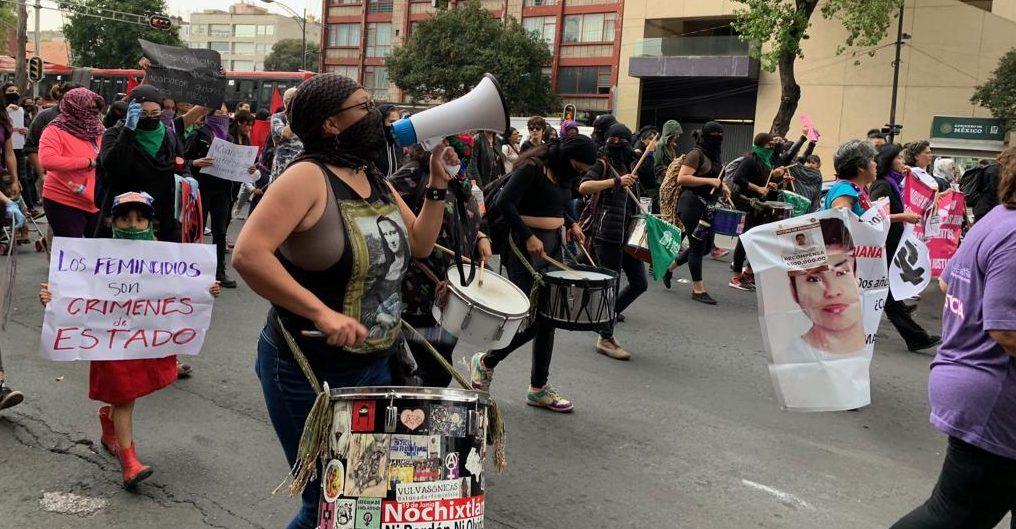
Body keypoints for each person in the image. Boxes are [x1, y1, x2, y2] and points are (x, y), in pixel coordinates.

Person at [231, 73, 454, 529]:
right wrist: (320, 312)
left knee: (363, 496)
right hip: (305, 368)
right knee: (325, 501)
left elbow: (420, 244)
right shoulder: (305, 178)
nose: (377, 113)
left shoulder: (368, 174)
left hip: (373, 363)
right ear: (332, 123)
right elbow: (248, 254)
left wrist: (437, 185)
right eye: (364, 106)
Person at [39, 192, 221, 489]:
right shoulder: (94, 258)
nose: (133, 225)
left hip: (141, 341)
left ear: (151, 222)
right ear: (112, 221)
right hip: (109, 342)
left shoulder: (165, 257)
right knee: (124, 397)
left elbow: (182, 289)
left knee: (127, 394)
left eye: (140, 219)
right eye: (125, 218)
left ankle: (108, 425)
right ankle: (129, 461)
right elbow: (70, 294)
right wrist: (50, 297)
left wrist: (206, 290)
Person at [889, 145, 1016, 529]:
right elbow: (1006, 330)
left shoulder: (997, 218)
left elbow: (947, 281)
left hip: (971, 377)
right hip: (993, 392)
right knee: (954, 515)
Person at [469, 135, 597, 413]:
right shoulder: (533, 168)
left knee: (549, 317)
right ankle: (486, 361)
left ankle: (538, 387)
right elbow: (505, 204)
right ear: (567, 156)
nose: (581, 173)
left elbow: (563, 202)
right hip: (524, 247)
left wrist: (572, 223)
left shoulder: (564, 174)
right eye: (579, 167)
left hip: (552, 245)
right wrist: (528, 236)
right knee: (531, 317)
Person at [389, 142, 491, 386]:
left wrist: (480, 236)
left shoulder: (458, 177)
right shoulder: (410, 175)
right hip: (418, 292)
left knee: (438, 362)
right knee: (439, 371)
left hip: (452, 288)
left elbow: (463, 215)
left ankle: (415, 411)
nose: (458, 152)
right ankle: (414, 414)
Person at [577, 123, 649, 359]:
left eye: (622, 139)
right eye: (613, 139)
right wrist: (616, 182)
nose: (616, 143)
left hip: (629, 233)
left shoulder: (630, 163)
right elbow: (584, 187)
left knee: (640, 283)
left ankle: (601, 320)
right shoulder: (603, 163)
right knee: (612, 285)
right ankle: (605, 337)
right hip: (606, 233)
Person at [871, 144, 941, 352]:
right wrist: (903, 217)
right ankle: (915, 337)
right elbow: (875, 216)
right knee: (887, 294)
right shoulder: (882, 185)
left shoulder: (894, 183)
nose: (903, 162)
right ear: (889, 160)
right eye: (899, 158)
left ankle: (913, 332)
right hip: (884, 245)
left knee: (885, 290)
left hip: (892, 244)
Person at [98, 85, 183, 243]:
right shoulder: (113, 133)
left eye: (155, 113)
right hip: (123, 212)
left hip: (161, 212)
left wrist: (187, 178)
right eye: (143, 114)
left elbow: (181, 164)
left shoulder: (169, 135)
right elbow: (112, 165)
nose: (150, 117)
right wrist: (128, 130)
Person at [661, 122, 729, 304]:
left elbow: (715, 180)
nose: (719, 138)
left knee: (707, 247)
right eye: (715, 135)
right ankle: (698, 289)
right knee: (697, 246)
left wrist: (723, 187)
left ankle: (669, 268)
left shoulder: (714, 156)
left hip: (707, 207)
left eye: (721, 135)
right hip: (691, 205)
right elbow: (682, 178)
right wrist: (711, 181)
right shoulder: (695, 154)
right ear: (707, 136)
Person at [784, 217, 865, 359]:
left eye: (841, 272)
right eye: (814, 279)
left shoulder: (863, 353)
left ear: (857, 275)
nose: (832, 292)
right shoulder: (790, 360)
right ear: (794, 291)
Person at [185, 104, 240, 289]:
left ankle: (219, 272)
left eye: (225, 113)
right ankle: (194, 270)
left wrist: (248, 169)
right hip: (202, 188)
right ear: (209, 115)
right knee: (197, 230)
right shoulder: (198, 135)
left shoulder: (230, 138)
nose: (223, 116)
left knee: (220, 231)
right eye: (219, 113)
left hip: (223, 190)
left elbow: (237, 164)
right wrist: (195, 163)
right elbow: (183, 160)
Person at [38, 87, 104, 238]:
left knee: (97, 252)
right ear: (74, 107)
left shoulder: (99, 129)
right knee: (72, 254)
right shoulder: (55, 130)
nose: (92, 112)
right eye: (88, 108)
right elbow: (47, 160)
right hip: (64, 199)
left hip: (97, 200)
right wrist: (88, 162)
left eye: (96, 108)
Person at [729, 132, 788, 291]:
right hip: (746, 204)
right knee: (744, 240)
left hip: (759, 205)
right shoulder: (750, 160)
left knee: (758, 239)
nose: (772, 148)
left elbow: (762, 182)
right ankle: (736, 276)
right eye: (770, 145)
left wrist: (769, 186)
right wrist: (757, 188)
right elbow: (737, 179)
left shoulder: (765, 163)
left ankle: (748, 272)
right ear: (761, 145)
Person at [25, 82, 83, 205]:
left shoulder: (90, 119)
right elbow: (31, 147)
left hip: (82, 182)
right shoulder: (45, 117)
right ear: (61, 95)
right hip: (54, 181)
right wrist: (42, 175)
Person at [823, 139, 877, 214]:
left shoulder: (854, 188)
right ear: (861, 166)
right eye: (872, 160)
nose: (876, 164)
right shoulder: (845, 191)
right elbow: (841, 222)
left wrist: (877, 205)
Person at [269, 88, 302, 184]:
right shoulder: (278, 117)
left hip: (300, 165)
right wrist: (295, 115)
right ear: (285, 102)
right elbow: (286, 133)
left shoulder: (303, 118)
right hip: (283, 166)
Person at [653, 120, 683, 194]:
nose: (677, 136)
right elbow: (658, 166)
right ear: (670, 134)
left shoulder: (672, 146)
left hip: (670, 180)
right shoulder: (660, 145)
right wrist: (670, 174)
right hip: (662, 182)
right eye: (676, 134)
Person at [376, 103, 402, 178]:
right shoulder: (372, 146)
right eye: (392, 122)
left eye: (398, 122)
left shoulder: (397, 143)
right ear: (381, 122)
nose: (396, 126)